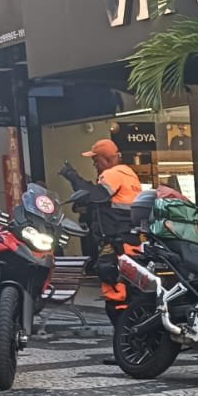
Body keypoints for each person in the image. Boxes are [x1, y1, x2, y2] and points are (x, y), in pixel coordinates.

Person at [61, 139, 143, 329]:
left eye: (96, 161)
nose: (95, 165)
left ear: (106, 159)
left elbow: (96, 195)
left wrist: (73, 177)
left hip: (116, 243)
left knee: (114, 288)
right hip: (129, 240)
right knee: (129, 287)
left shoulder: (113, 174)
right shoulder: (129, 174)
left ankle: (125, 335)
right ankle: (133, 333)